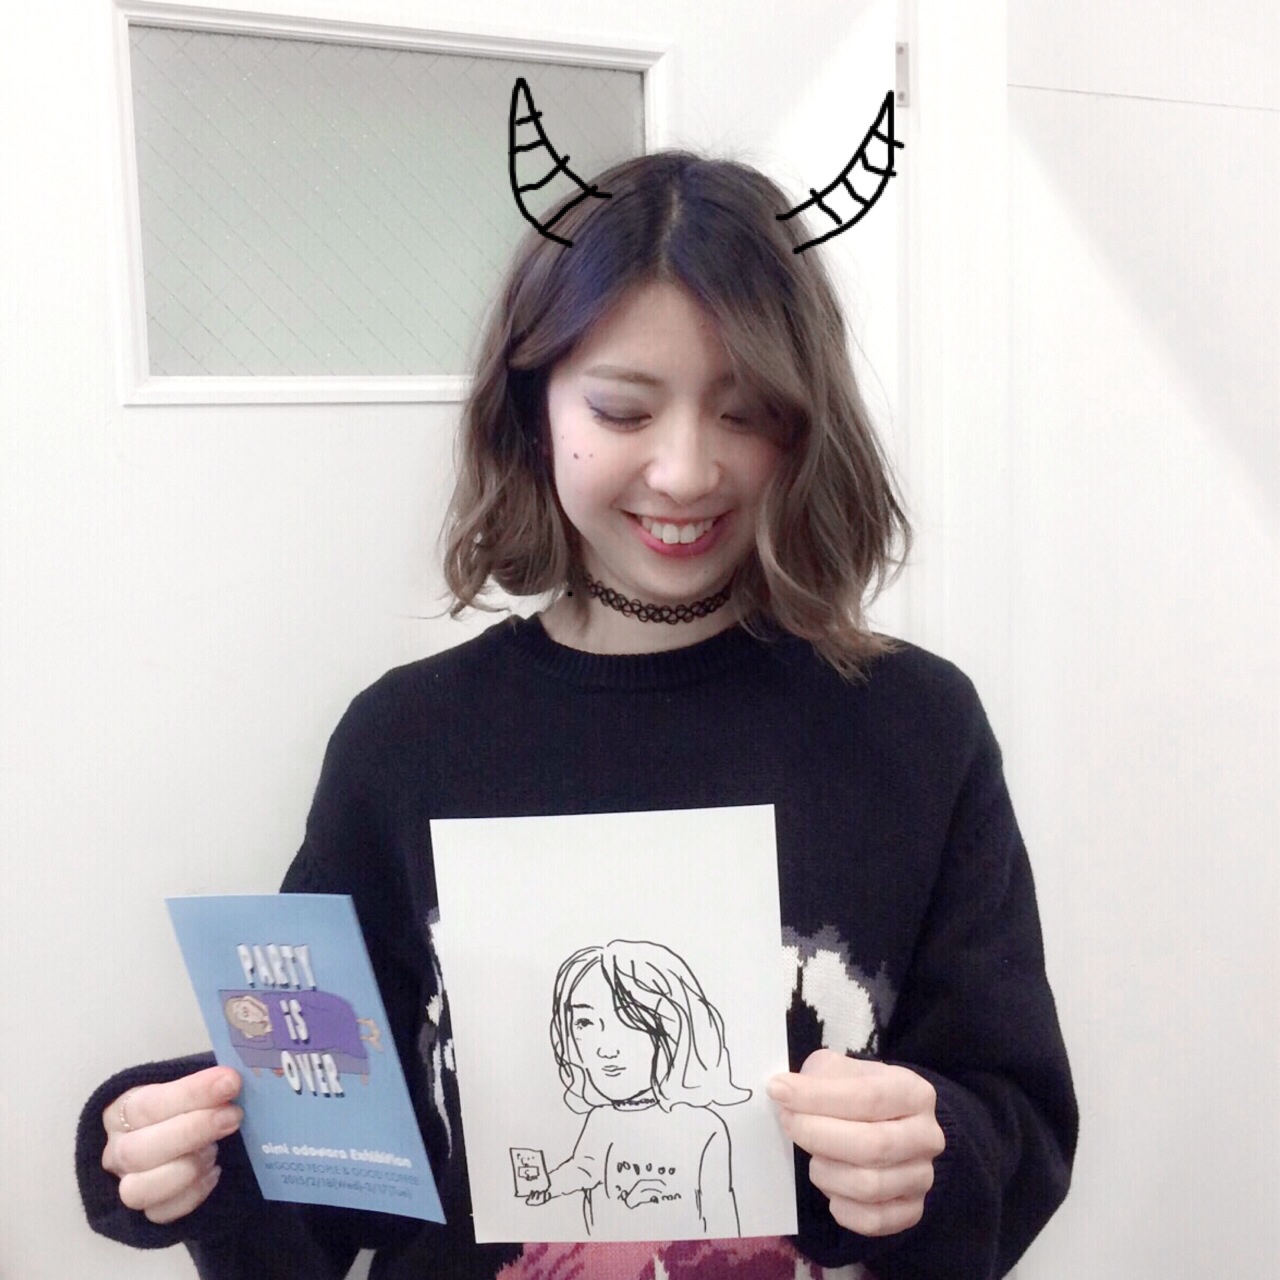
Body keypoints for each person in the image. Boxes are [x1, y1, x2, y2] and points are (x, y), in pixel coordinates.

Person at [77, 150, 1077, 1280]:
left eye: (746, 413)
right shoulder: (404, 743)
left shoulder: (913, 727)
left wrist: (928, 1160)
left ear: (807, 428)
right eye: (622, 408)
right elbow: (328, 1173)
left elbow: (1022, 1124)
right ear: (533, 409)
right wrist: (190, 1157)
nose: (685, 470)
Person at [523, 941, 751, 1238]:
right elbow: (584, 1169)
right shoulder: (601, 1120)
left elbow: (719, 1210)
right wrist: (550, 1184)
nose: (605, 1048)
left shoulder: (706, 1128)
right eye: (585, 1022)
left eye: (628, 1022)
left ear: (673, 1029)